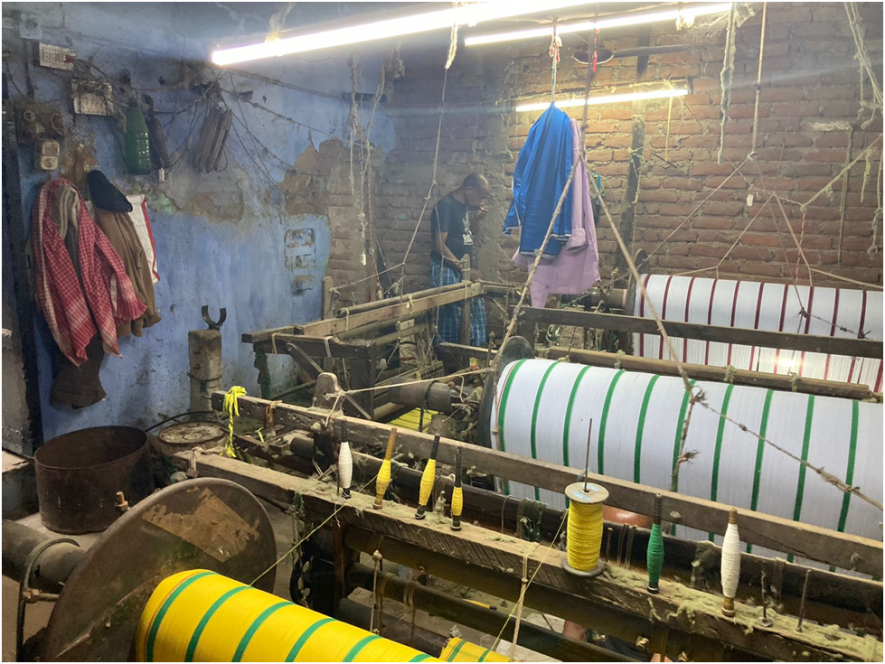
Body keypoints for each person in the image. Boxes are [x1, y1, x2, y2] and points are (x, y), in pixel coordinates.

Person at [430, 174, 490, 348]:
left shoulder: (464, 207)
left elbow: (467, 234)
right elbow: (439, 246)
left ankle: (476, 357)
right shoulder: (445, 206)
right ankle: (450, 361)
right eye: (481, 196)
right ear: (469, 190)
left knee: (476, 312)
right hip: (446, 269)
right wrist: (464, 269)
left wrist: (477, 219)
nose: (482, 201)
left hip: (462, 268)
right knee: (451, 318)